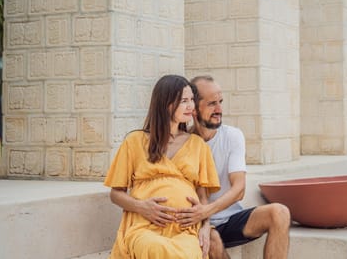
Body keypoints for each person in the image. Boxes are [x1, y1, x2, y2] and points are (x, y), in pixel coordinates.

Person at [104, 74, 220, 259]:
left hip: (185, 230)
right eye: (184, 101)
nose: (191, 106)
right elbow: (115, 193)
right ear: (166, 104)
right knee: (154, 248)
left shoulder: (198, 145)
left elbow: (202, 198)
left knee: (190, 254)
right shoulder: (134, 141)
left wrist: (205, 226)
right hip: (145, 225)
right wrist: (141, 207)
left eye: (192, 100)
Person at [174, 75, 291, 259]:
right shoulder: (182, 143)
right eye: (212, 103)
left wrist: (208, 210)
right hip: (198, 223)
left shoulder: (232, 136)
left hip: (231, 219)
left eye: (221, 102)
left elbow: (239, 189)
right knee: (211, 240)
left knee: (280, 212)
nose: (219, 109)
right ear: (194, 108)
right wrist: (203, 217)